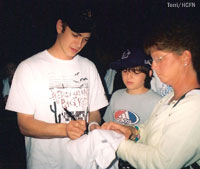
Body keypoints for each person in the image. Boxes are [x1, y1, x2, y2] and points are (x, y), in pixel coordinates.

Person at [5, 2, 108, 169]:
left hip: (84, 163)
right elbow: (24, 124)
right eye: (75, 35)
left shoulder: (89, 67)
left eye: (85, 39)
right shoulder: (29, 67)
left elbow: (94, 112)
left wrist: (93, 125)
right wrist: (65, 129)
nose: (79, 44)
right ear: (60, 26)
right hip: (46, 163)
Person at [101, 20, 200, 169]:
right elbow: (150, 130)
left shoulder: (194, 106)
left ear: (185, 58)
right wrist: (132, 131)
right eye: (153, 60)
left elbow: (163, 163)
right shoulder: (169, 98)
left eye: (159, 59)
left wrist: (116, 143)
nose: (153, 66)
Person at [103, 48, 161, 125]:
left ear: (149, 73)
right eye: (125, 71)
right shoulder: (116, 95)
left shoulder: (158, 101)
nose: (129, 77)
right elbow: (108, 123)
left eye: (136, 72)